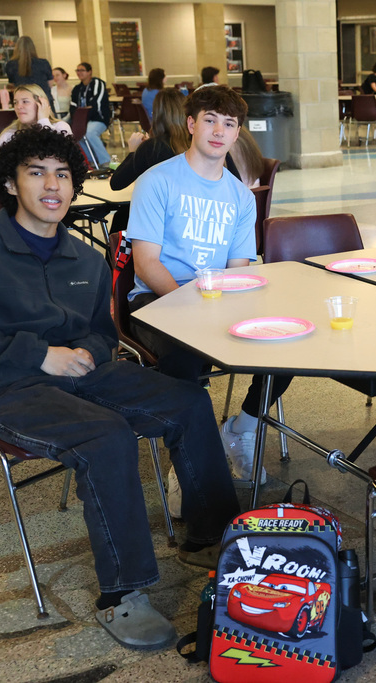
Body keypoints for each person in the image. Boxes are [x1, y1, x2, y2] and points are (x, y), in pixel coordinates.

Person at [0, 126, 241, 651]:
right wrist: (39, 354)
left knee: (185, 400)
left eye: (63, 174)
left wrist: (91, 351)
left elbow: (99, 329)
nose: (53, 185)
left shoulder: (85, 259)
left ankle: (210, 537)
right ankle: (123, 593)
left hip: (81, 372)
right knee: (107, 435)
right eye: (36, 172)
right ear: (10, 183)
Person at [124, 86, 282, 496]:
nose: (218, 130)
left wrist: (222, 309)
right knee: (183, 354)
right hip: (157, 300)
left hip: (216, 300)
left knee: (286, 345)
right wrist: (191, 306)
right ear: (191, 124)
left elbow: (237, 269)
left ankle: (241, 429)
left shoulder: (240, 197)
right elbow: (146, 264)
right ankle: (189, 458)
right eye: (210, 120)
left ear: (237, 133)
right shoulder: (156, 181)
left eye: (228, 124)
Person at [109, 88, 191, 234]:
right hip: (189, 218)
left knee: (121, 216)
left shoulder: (152, 148)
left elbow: (116, 183)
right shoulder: (195, 144)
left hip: (156, 222)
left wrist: (133, 152)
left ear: (156, 116)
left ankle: (115, 258)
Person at [0, 84, 72, 147]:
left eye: (25, 101)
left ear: (41, 104)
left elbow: (55, 153)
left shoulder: (61, 127)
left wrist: (43, 121)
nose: (18, 106)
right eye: (15, 102)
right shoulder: (9, 134)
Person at [70, 62, 112, 166]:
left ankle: (105, 161)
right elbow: (73, 107)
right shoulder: (77, 89)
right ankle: (91, 160)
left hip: (99, 118)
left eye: (82, 70)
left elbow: (96, 104)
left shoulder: (98, 84)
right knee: (75, 134)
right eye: (77, 70)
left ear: (90, 72)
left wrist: (85, 112)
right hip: (83, 120)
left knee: (90, 133)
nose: (79, 72)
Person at [4, 36, 55, 111]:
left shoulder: (11, 65)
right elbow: (50, 84)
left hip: (24, 102)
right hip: (43, 100)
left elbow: (12, 85)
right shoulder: (43, 63)